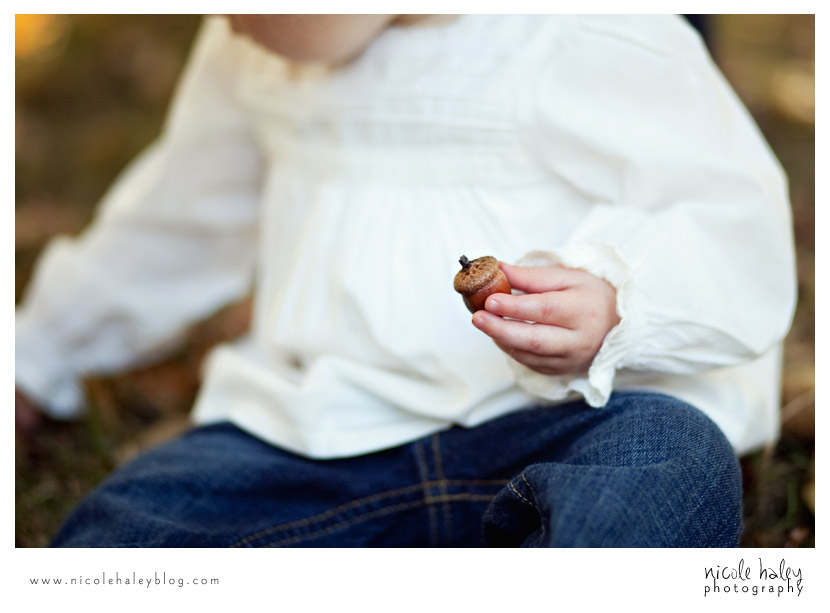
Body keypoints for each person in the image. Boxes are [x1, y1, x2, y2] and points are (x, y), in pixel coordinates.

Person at [15, 14, 796, 547]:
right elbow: (173, 226)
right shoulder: (249, 50)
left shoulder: (590, 30)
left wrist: (619, 299)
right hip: (306, 438)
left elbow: (729, 214)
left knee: (669, 460)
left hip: (551, 429)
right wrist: (35, 354)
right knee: (131, 527)